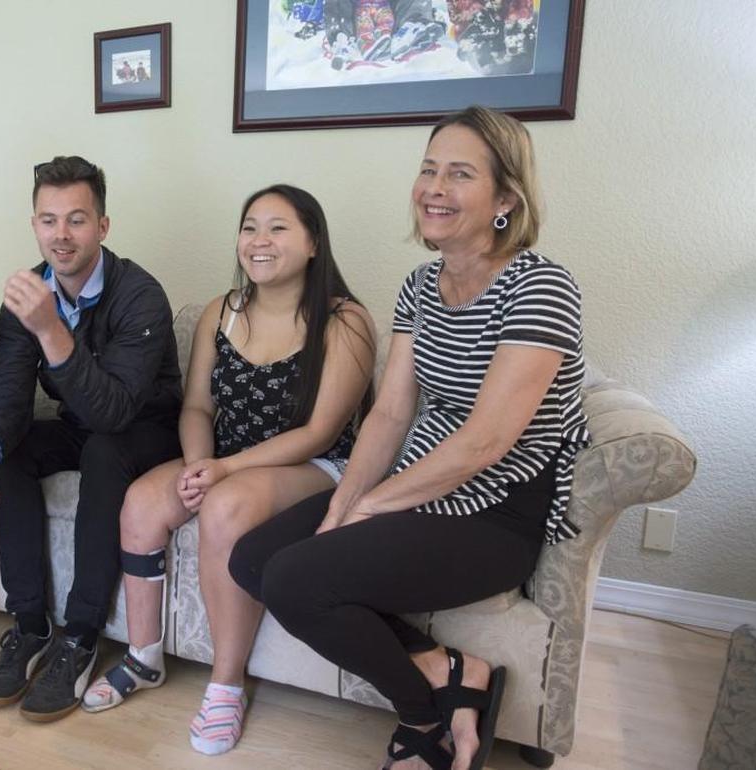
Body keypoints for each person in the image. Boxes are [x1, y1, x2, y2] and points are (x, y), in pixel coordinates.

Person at [229, 107, 590, 770]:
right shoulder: (420, 286)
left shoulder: (542, 287)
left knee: (294, 580)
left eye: (459, 174)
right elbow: (391, 414)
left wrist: (371, 507)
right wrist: (342, 506)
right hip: (420, 488)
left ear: (506, 198)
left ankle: (423, 716)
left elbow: (485, 441)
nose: (434, 188)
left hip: (493, 515)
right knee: (252, 559)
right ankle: (450, 671)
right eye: (428, 170)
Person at [81, 184, 376, 756]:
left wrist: (224, 471)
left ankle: (225, 684)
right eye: (249, 227)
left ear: (314, 242)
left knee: (226, 503)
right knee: (143, 501)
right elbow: (197, 407)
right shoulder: (221, 310)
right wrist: (197, 464)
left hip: (315, 463)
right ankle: (144, 657)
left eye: (278, 228)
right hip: (222, 458)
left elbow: (318, 431)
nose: (259, 241)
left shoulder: (346, 321)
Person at [0, 155, 183, 723]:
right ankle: (30, 625)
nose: (61, 235)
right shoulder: (29, 292)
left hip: (148, 432)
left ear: (102, 227)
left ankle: (80, 636)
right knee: (6, 454)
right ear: (34, 224)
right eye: (48, 220)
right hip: (83, 426)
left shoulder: (140, 295)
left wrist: (51, 330)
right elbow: (9, 388)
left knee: (106, 450)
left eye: (77, 220)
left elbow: (113, 412)